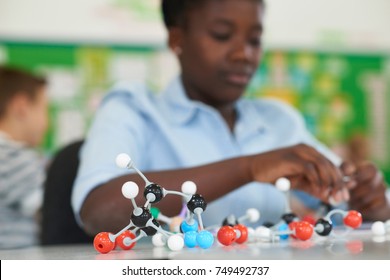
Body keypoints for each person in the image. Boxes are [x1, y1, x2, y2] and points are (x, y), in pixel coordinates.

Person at [72, 0, 390, 235]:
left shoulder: (279, 121)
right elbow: (98, 212)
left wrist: (371, 203)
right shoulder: (134, 109)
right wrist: (249, 167)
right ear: (177, 39)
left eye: (254, 40)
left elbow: (355, 203)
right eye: (222, 35)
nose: (245, 54)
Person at [0, 66, 48, 249]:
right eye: (44, 110)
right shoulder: (15, 158)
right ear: (21, 107)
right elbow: (52, 212)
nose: (47, 124)